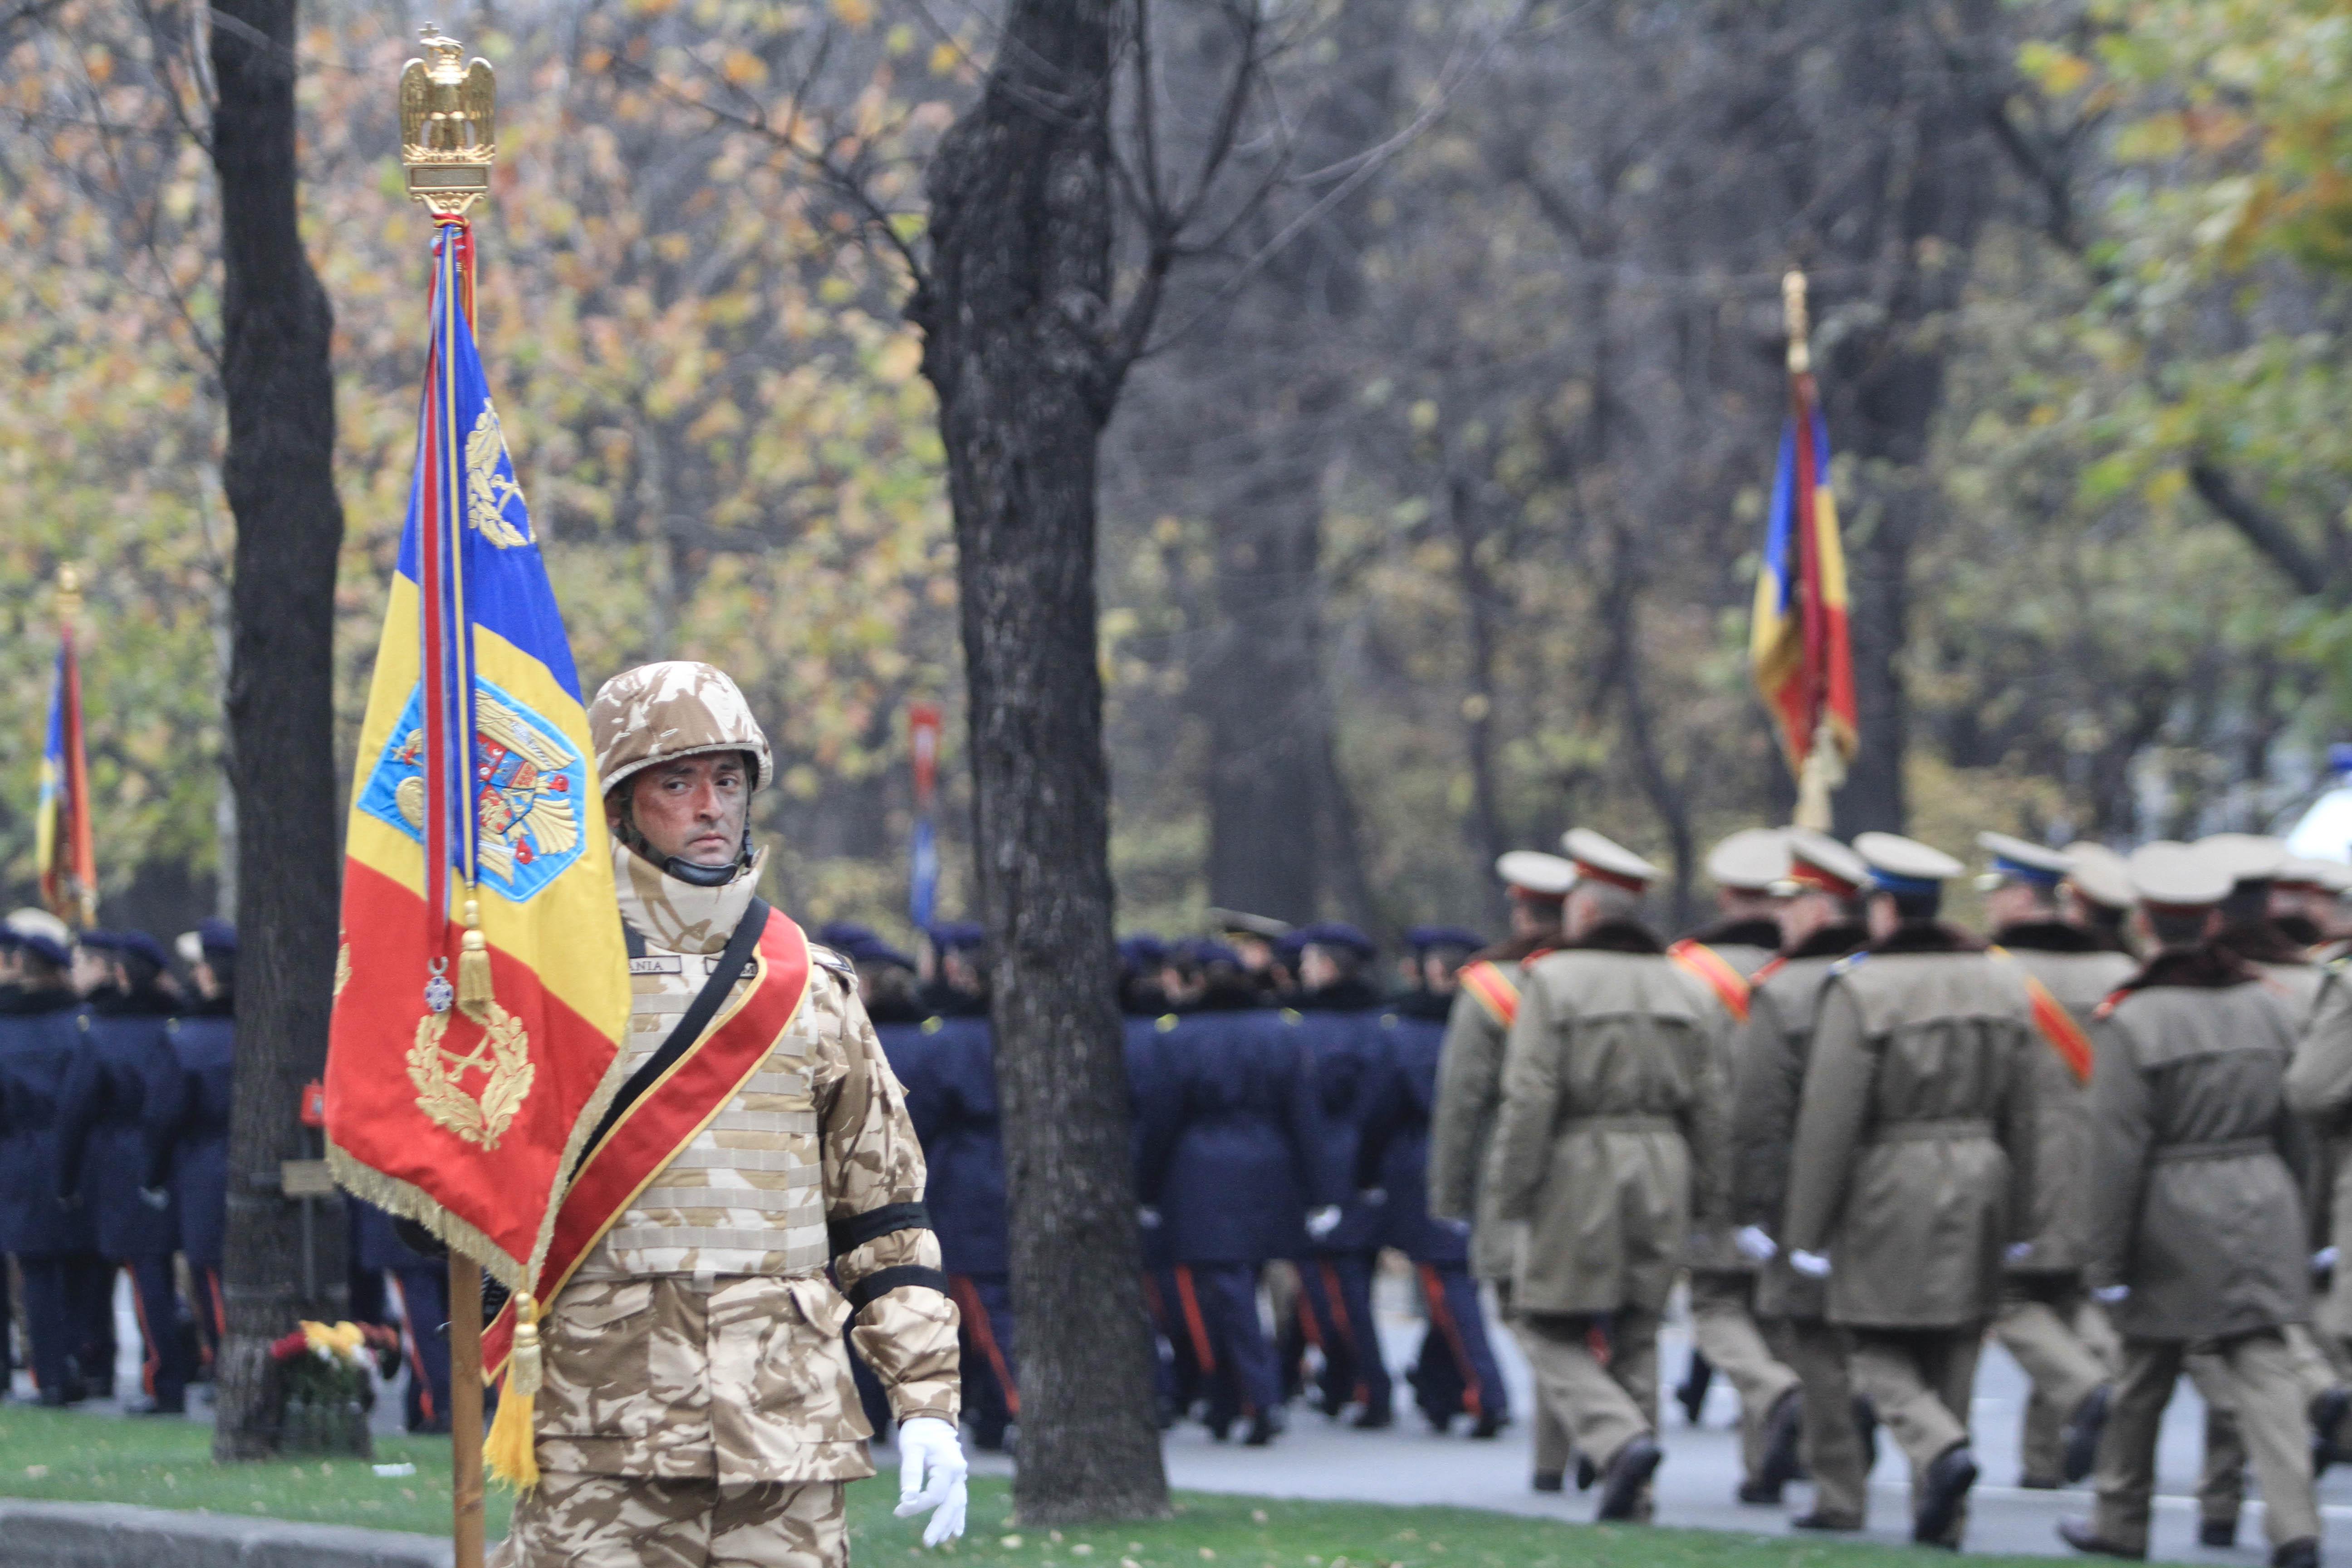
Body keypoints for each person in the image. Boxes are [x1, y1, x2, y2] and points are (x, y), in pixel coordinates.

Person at [496, 661, 966, 1567]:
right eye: (677, 782)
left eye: (729, 779)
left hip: (782, 1438)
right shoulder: (547, 983)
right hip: (600, 1437)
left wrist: (927, 1405)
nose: (711, 805)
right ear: (620, 805)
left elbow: (886, 1222)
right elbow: (469, 1193)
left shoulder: (814, 990)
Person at [2060, 842, 2320, 1568]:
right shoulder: (2269, 1009)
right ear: (2211, 921)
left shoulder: (2133, 1018)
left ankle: (2120, 1519)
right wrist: (2298, 1214)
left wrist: (2105, 1260)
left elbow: (2115, 1153)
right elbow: (2298, 1127)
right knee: (2265, 1370)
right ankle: (2296, 1526)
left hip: (2169, 1211)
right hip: (2262, 1194)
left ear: (2145, 922)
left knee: (2144, 1373)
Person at [1782, 833, 2040, 1549]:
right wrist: (2027, 1210)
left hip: (1890, 1178)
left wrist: (1806, 1231)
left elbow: (1830, 1119)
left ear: (1886, 910)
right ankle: (1943, 1515)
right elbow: (2029, 1107)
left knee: (1869, 1338)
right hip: (1984, 1169)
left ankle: (1937, 1447)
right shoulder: (2001, 981)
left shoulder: (1862, 986)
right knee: (1956, 1338)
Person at [1489, 828, 1728, 1523]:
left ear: (1584, 914)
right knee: (1639, 1327)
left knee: (1544, 1323)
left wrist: (1512, 1190)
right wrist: (1712, 1194)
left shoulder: (1553, 981)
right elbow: (1712, 1104)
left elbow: (1530, 1096)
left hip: (1578, 1163)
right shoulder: (1690, 988)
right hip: (1664, 1161)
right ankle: (1637, 1489)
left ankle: (1617, 1440)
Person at [1976, 832, 2136, 1490]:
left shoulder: (1995, 977)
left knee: (2004, 1299)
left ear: (2019, 899)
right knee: (2067, 1300)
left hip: (2022, 1169)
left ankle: (2088, 1389)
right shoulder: (2121, 977)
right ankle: (2044, 1464)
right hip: (2101, 1167)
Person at [1730, 826, 1876, 1532]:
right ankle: (1933, 1459)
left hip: (1805, 1188)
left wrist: (1750, 1209)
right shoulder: (1886, 976)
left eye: (1791, 902)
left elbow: (1760, 1114)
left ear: (1820, 909)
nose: (1779, 915)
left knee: (1812, 1341)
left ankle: (1839, 1487)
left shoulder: (1785, 989)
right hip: (1896, 1184)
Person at [1428, 850, 1578, 1490]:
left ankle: (1607, 1432)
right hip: (1595, 1171)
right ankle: (1555, 1460)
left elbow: (1462, 1098)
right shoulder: (1596, 975)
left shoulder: (1492, 985)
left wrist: (1449, 1195)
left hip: (1510, 1167)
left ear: (1521, 909)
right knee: (1576, 1314)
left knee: (1529, 1316)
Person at [1671, 828, 1804, 1505]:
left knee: (1717, 1300)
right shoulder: (1805, 971)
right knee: (1775, 1309)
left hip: (1709, 1159)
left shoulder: (1686, 971)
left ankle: (1776, 1396)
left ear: (1724, 896)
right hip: (1792, 1161)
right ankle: (1764, 1467)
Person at [1134, 998, 1333, 1445]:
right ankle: (1230, 1399)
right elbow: (1304, 1116)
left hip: (1201, 1175)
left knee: (1225, 1294)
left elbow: (1162, 1119)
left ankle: (1257, 1398)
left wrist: (1145, 1187)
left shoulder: (1178, 1038)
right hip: (1267, 1169)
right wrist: (1318, 1191)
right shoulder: (1280, 1033)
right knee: (1236, 1293)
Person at [1357, 925, 1508, 1437]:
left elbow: (1380, 1109)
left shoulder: (1402, 1031)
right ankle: (1439, 1386)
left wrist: (1365, 1173)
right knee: (1452, 1278)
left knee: (1448, 1283)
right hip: (1489, 1156)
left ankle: (1487, 1392)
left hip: (1424, 1160)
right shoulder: (1502, 1018)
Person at [55, 928, 192, 1415]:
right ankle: (174, 1366)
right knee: (157, 1272)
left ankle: (161, 1378)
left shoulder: (102, 1031)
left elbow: (77, 1107)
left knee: (142, 1274)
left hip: (118, 1159)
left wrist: (65, 1175)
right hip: (178, 1156)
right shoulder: (177, 1022)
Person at [1287, 921, 1395, 1427]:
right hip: (1367, 1169)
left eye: (1309, 963)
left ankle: (1369, 1386)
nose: (1302, 972)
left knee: (1336, 1289)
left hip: (1330, 1172)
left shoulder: (1310, 1028)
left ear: (1328, 968)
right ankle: (1344, 1383)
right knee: (1348, 1285)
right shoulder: (1381, 1023)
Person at [0, 910, 101, 1405]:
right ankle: (84, 1360)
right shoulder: (78, 1024)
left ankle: (52, 1372)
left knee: (37, 1271)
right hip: (78, 1152)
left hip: (18, 1152)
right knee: (81, 1265)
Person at [156, 921, 235, 1382]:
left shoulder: (188, 1037)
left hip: (204, 1162)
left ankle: (227, 1365)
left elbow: (166, 1113)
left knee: (209, 1270)